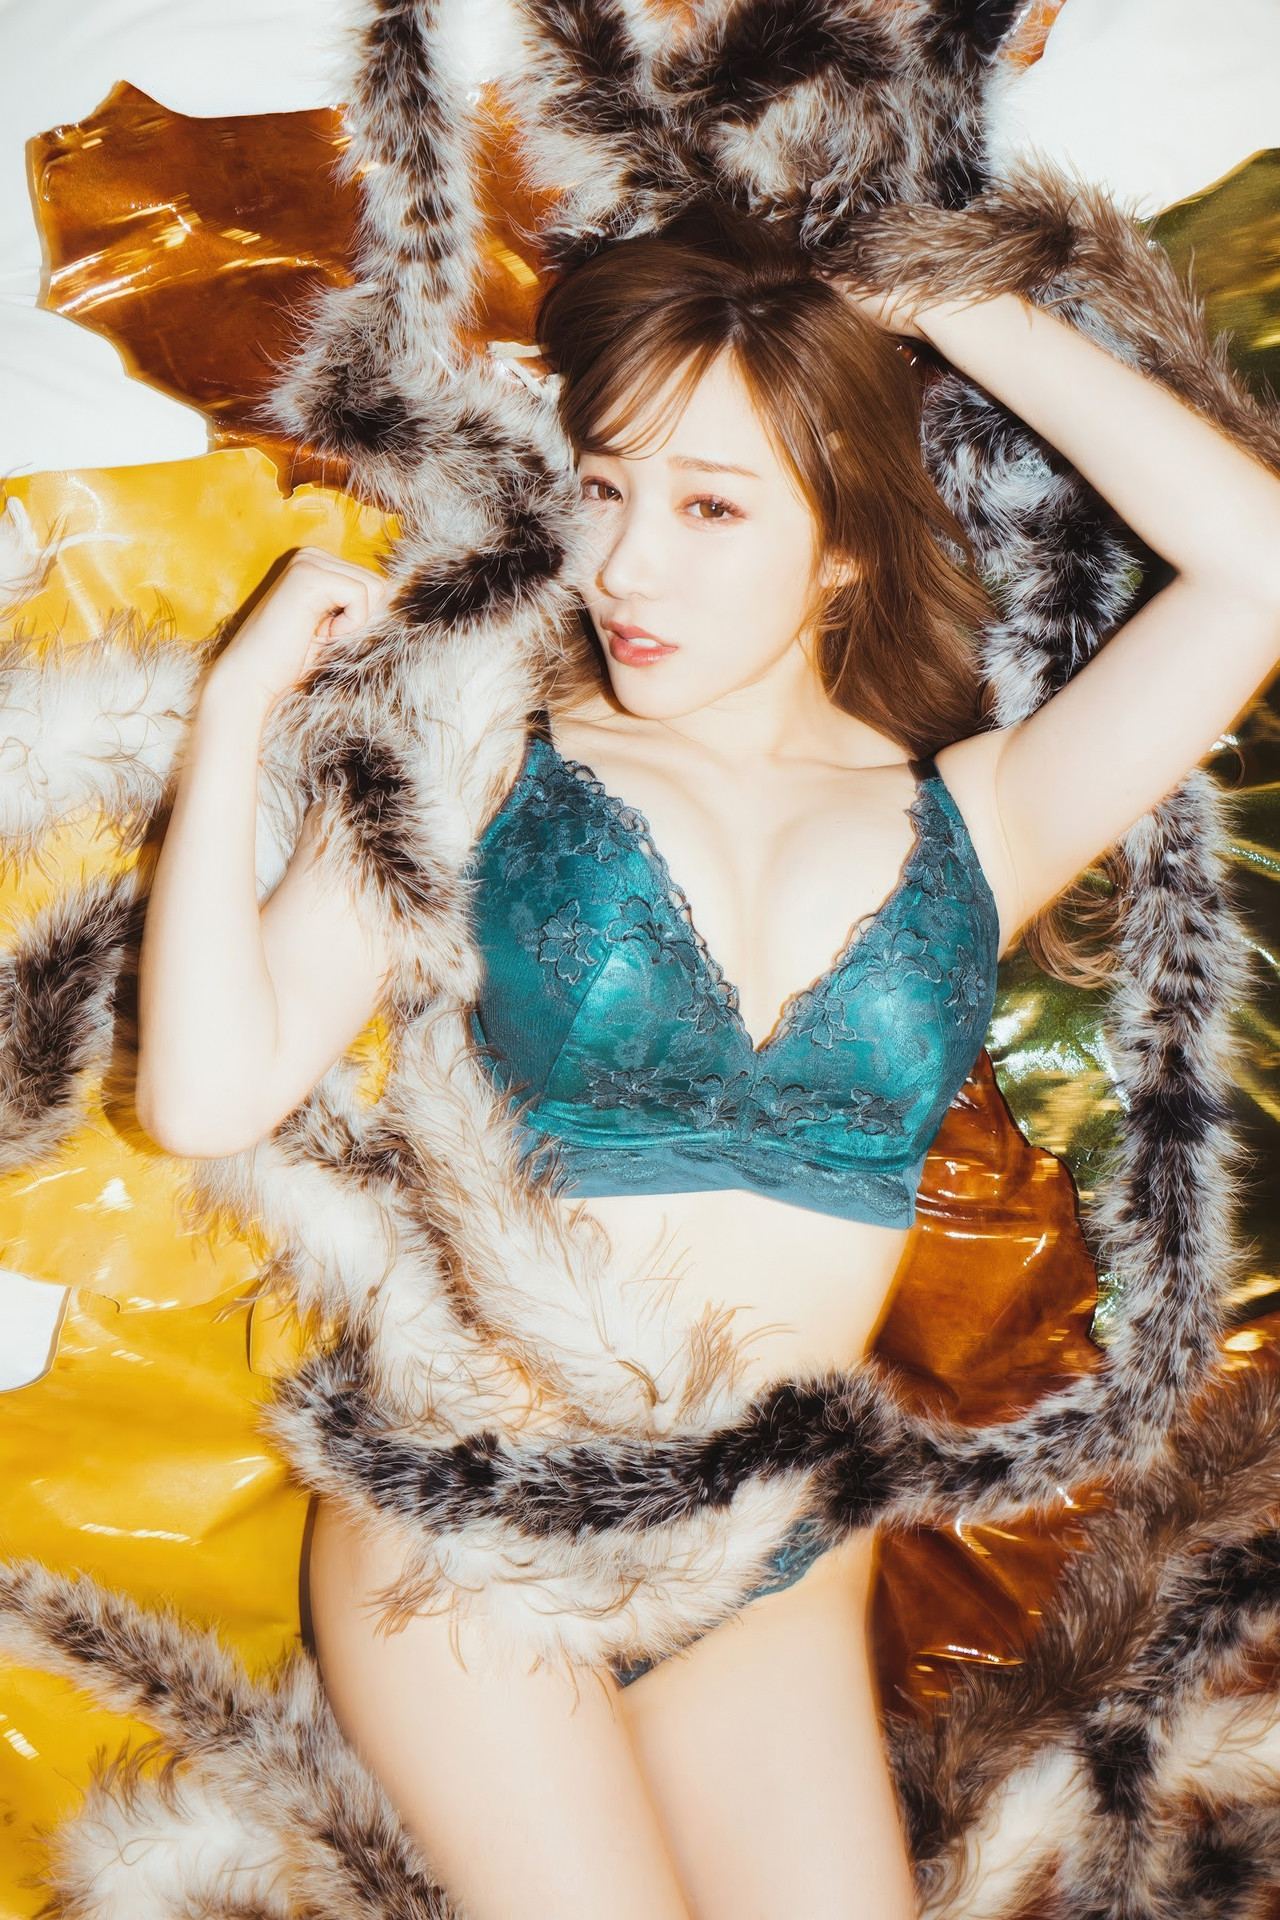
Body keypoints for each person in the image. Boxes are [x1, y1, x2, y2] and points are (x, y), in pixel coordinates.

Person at [135, 212, 1280, 1920]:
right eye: (604, 489)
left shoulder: (978, 824)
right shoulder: (480, 754)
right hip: (478, 1540)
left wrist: (953, 305)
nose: (625, 566)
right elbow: (205, 1094)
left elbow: (1258, 570)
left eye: (711, 507)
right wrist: (236, 711)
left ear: (845, 546)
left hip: (773, 1571)